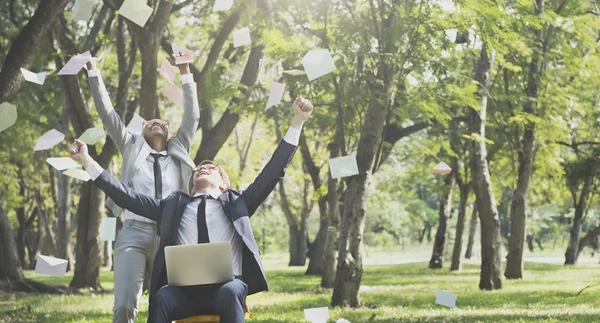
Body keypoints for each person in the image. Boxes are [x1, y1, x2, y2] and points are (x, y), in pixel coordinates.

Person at [69, 97, 313, 323]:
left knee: (231, 292)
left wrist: (298, 122)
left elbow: (273, 170)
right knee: (161, 298)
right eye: (199, 169)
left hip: (227, 286)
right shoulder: (173, 205)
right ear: (191, 181)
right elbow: (127, 196)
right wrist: (87, 162)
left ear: (223, 182)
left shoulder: (239, 202)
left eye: (211, 168)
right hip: (184, 293)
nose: (202, 168)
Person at [85, 55, 199, 323]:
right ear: (142, 131)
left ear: (171, 134)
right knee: (124, 306)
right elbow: (108, 115)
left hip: (170, 236)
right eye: (149, 122)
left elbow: (192, 116)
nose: (156, 122)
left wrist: (185, 71)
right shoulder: (130, 146)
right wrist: (93, 71)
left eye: (162, 122)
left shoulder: (179, 148)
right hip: (133, 234)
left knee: (168, 306)